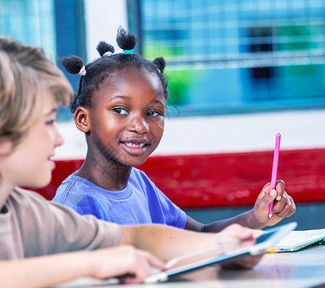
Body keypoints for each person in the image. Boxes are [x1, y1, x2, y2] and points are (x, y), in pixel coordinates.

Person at [0, 35, 262, 288]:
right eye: (44, 123)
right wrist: (90, 264)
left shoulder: (26, 212)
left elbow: (135, 238)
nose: (57, 139)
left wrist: (222, 246)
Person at [52, 27, 296, 232]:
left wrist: (256, 218)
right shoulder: (73, 206)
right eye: (120, 110)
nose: (140, 126)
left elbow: (199, 235)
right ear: (84, 119)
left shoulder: (138, 183)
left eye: (153, 112)